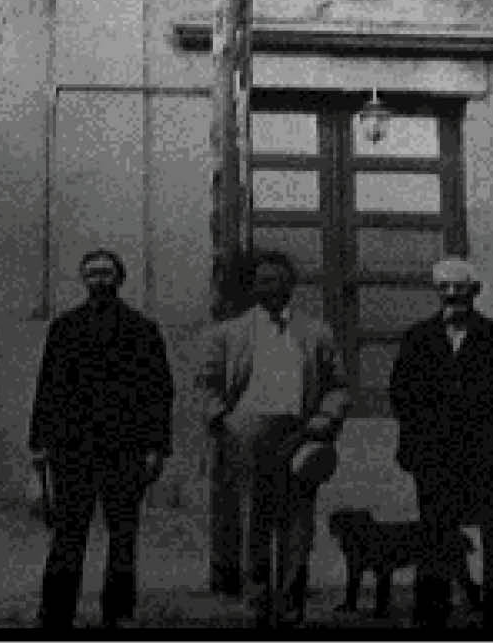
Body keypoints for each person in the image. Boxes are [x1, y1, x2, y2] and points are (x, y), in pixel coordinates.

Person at [198, 250, 350, 629]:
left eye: (281, 280)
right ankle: (256, 608)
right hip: (248, 436)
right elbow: (206, 385)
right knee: (254, 525)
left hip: (300, 434)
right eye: (264, 280)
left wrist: (325, 418)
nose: (273, 287)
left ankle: (291, 610)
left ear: (292, 285)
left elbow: (338, 387)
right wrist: (225, 421)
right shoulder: (228, 333)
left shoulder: (316, 332)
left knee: (298, 528)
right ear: (252, 286)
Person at [28, 248, 174, 629]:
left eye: (106, 273)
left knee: (123, 535)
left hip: (125, 450)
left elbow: (159, 393)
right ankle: (56, 612)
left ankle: (120, 612)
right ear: (83, 280)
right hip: (72, 450)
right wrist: (39, 443)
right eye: (91, 273)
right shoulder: (64, 328)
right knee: (67, 534)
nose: (99, 280)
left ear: (119, 278)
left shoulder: (143, 330)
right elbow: (47, 389)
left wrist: (156, 447)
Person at [387, 256, 493, 629]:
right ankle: (432, 611)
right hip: (436, 456)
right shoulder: (417, 339)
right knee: (434, 531)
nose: (453, 295)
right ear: (436, 292)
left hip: (486, 455)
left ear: (475, 291)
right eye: (445, 288)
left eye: (461, 287)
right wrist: (420, 441)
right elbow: (402, 395)